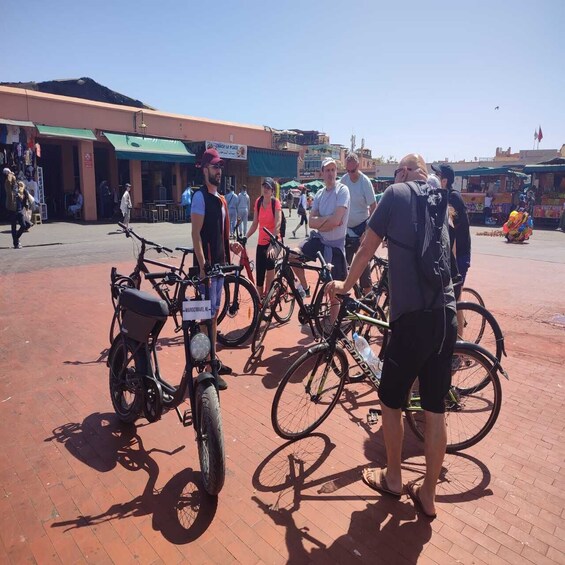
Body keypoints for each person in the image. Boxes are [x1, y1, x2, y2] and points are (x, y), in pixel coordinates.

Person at [328, 153, 457, 519]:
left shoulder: (395, 195)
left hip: (412, 320)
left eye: (399, 170)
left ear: (402, 173)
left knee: (391, 402)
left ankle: (395, 478)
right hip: (446, 317)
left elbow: (367, 247)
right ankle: (428, 495)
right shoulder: (439, 201)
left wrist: (346, 285)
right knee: (435, 412)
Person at [191, 148, 236, 390]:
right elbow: (195, 234)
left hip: (218, 266)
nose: (219, 171)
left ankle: (211, 360)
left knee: (213, 315)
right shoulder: (200, 198)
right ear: (205, 169)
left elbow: (219, 232)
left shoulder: (220, 198)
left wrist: (232, 245)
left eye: (220, 167)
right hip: (207, 268)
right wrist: (201, 266)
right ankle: (207, 365)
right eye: (215, 167)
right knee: (206, 318)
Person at [294, 157, 349, 320]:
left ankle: (331, 328)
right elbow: (312, 222)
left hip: (335, 246)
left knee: (334, 291)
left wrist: (322, 221)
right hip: (319, 240)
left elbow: (336, 220)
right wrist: (328, 220)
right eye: (327, 170)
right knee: (292, 256)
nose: (331, 173)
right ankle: (305, 287)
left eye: (333, 170)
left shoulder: (343, 190)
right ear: (322, 173)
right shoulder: (319, 194)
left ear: (336, 172)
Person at [431, 164, 471, 302]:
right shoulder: (443, 196)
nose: (434, 177)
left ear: (444, 181)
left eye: (437, 175)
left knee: (453, 300)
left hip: (459, 256)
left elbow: (449, 230)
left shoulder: (453, 198)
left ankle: (457, 323)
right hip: (451, 255)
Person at [340, 152, 377, 295]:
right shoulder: (344, 180)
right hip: (348, 229)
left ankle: (369, 297)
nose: (351, 174)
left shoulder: (365, 182)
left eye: (353, 171)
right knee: (344, 266)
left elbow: (374, 208)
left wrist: (366, 232)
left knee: (363, 267)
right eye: (348, 171)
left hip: (362, 227)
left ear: (358, 166)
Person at [245, 177, 282, 300]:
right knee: (259, 272)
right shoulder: (258, 202)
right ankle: (259, 301)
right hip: (262, 242)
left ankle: (269, 293)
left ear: (272, 190)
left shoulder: (275, 203)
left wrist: (272, 244)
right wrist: (245, 237)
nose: (265, 189)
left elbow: (278, 224)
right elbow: (255, 224)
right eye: (264, 187)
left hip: (275, 241)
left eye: (268, 188)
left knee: (270, 259)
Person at [4, 169, 32, 249]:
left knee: (24, 225)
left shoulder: (17, 185)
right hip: (12, 209)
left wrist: (22, 197)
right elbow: (8, 183)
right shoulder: (8, 184)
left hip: (19, 209)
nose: (13, 177)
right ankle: (16, 243)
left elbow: (22, 194)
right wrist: (10, 174)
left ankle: (16, 239)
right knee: (13, 227)